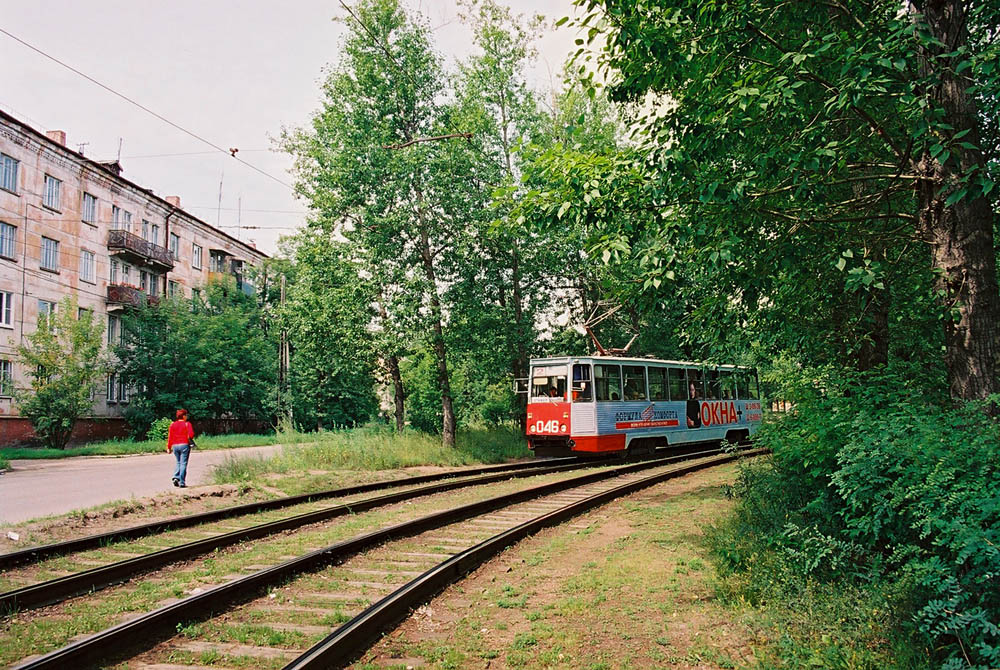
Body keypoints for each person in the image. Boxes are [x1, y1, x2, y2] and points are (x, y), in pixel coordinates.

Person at [166, 409, 196, 488]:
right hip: (184, 445)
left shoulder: (173, 425)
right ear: (183, 416)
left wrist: (169, 447)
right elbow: (191, 435)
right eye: (186, 415)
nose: (186, 417)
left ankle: (176, 477)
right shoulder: (187, 424)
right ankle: (182, 482)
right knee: (183, 463)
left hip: (175, 445)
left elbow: (170, 437)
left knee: (178, 462)